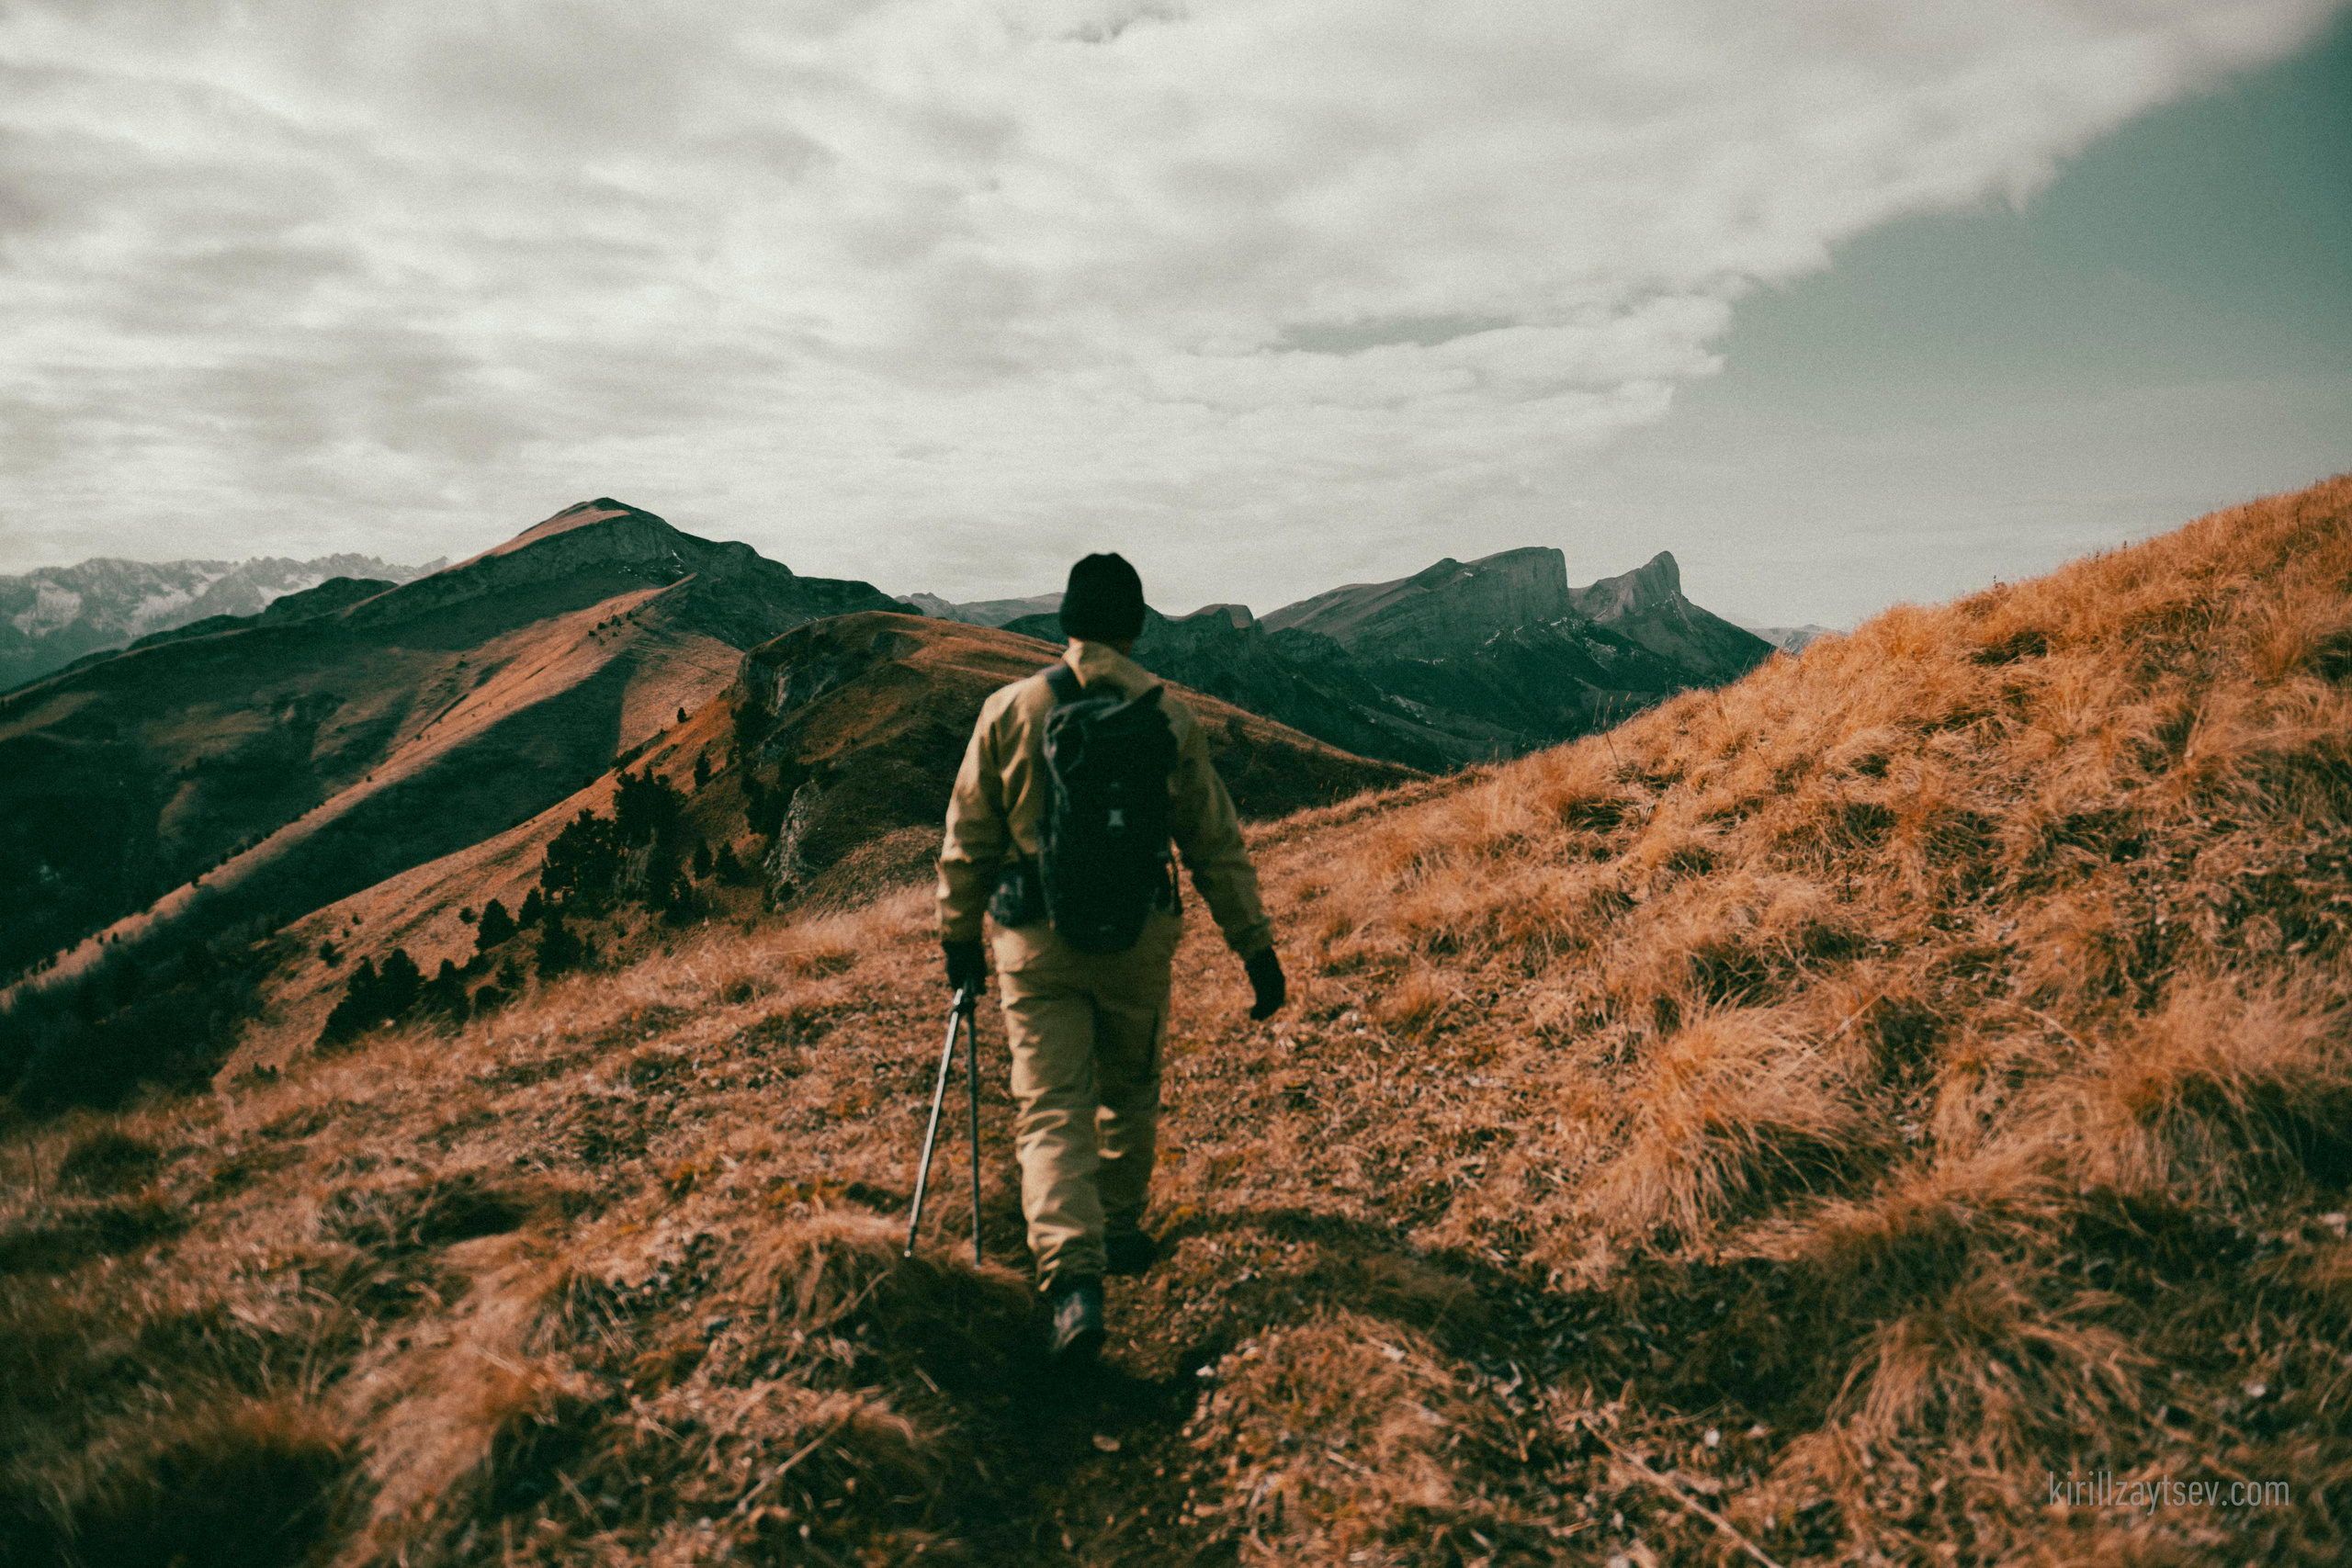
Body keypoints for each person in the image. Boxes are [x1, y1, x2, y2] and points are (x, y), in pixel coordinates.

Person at [937, 552, 1287, 1362]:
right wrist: (1256, 948)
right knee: (1129, 1084)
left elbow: (966, 840)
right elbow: (1214, 843)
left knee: (1051, 1104)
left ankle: (1073, 1277)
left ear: (1064, 621)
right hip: (1137, 937)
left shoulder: (1008, 710)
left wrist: (959, 940)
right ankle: (1121, 1229)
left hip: (1035, 941)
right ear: (1133, 626)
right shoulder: (1166, 718)